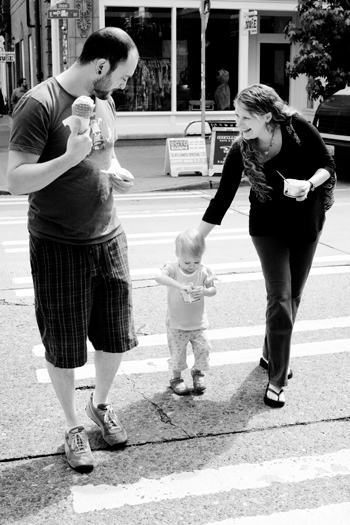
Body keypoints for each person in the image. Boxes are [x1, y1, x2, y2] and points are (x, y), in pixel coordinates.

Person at [6, 27, 140, 473]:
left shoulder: (104, 103)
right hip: (58, 243)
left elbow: (104, 156)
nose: (123, 85)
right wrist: (68, 156)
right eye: (122, 76)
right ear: (101, 66)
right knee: (63, 346)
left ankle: (99, 406)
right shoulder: (39, 104)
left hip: (109, 235)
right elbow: (15, 180)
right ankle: (70, 425)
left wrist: (114, 169)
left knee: (116, 337)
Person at [197, 84, 336, 408]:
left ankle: (269, 351)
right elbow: (221, 200)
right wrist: (196, 239)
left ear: (268, 116)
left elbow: (327, 165)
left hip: (307, 226)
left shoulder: (297, 127)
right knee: (280, 297)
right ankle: (277, 379)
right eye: (236, 116)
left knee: (293, 297)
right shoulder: (240, 149)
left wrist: (309, 183)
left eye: (245, 117)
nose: (239, 123)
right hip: (268, 231)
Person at [155, 229, 217, 395]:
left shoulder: (203, 271)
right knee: (178, 353)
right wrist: (180, 285)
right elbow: (159, 278)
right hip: (177, 323)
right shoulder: (173, 269)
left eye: (196, 262)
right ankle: (176, 378)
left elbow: (213, 290)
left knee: (203, 349)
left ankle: (198, 372)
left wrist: (204, 291)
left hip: (198, 323)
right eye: (187, 262)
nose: (192, 266)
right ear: (178, 255)